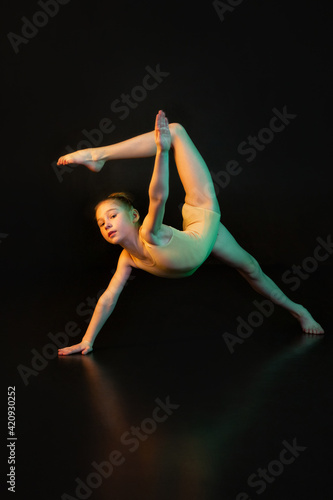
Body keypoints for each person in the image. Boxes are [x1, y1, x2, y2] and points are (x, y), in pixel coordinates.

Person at [57, 110, 324, 356]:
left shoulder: (150, 233)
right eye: (102, 223)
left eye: (113, 215)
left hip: (202, 209)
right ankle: (301, 311)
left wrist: (162, 153)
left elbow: (158, 197)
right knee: (252, 269)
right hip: (204, 238)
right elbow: (107, 299)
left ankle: (97, 155)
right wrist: (87, 340)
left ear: (134, 216)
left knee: (175, 131)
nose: (107, 224)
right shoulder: (127, 259)